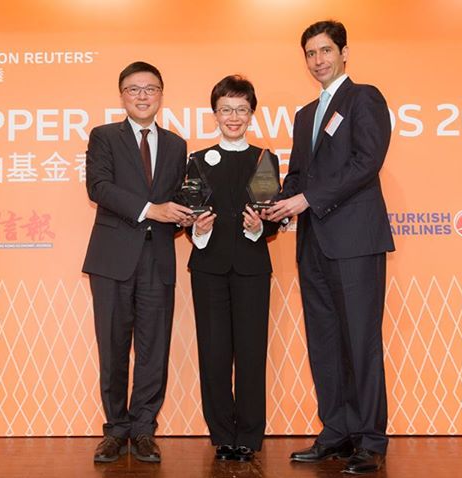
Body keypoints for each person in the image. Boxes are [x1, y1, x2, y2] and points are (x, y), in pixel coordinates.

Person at [266, 20, 395, 474]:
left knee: (360, 340)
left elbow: (367, 162)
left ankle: (371, 439)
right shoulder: (306, 114)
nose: (318, 60)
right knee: (324, 341)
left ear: (344, 53)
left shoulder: (365, 98)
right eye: (310, 53)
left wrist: (308, 199)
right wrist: (276, 204)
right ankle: (337, 431)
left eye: (325, 50)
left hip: (355, 240)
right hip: (313, 243)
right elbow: (299, 175)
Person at [82, 61, 192, 463]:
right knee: (112, 347)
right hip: (112, 259)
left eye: (151, 89)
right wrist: (151, 209)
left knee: (153, 349)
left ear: (161, 94)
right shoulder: (104, 137)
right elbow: (99, 187)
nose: (143, 96)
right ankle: (115, 430)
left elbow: (179, 200)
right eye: (134, 89)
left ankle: (144, 429)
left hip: (158, 259)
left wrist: (190, 217)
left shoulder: (178, 145)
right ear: (122, 96)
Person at [186, 75, 281, 463]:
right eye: (226, 109)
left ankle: (249, 436)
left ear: (252, 114)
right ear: (214, 115)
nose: (234, 116)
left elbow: (271, 212)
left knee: (251, 352)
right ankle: (222, 435)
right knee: (213, 352)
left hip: (252, 267)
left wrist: (262, 228)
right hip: (208, 267)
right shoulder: (196, 159)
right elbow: (188, 213)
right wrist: (198, 230)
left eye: (242, 109)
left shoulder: (263, 158)